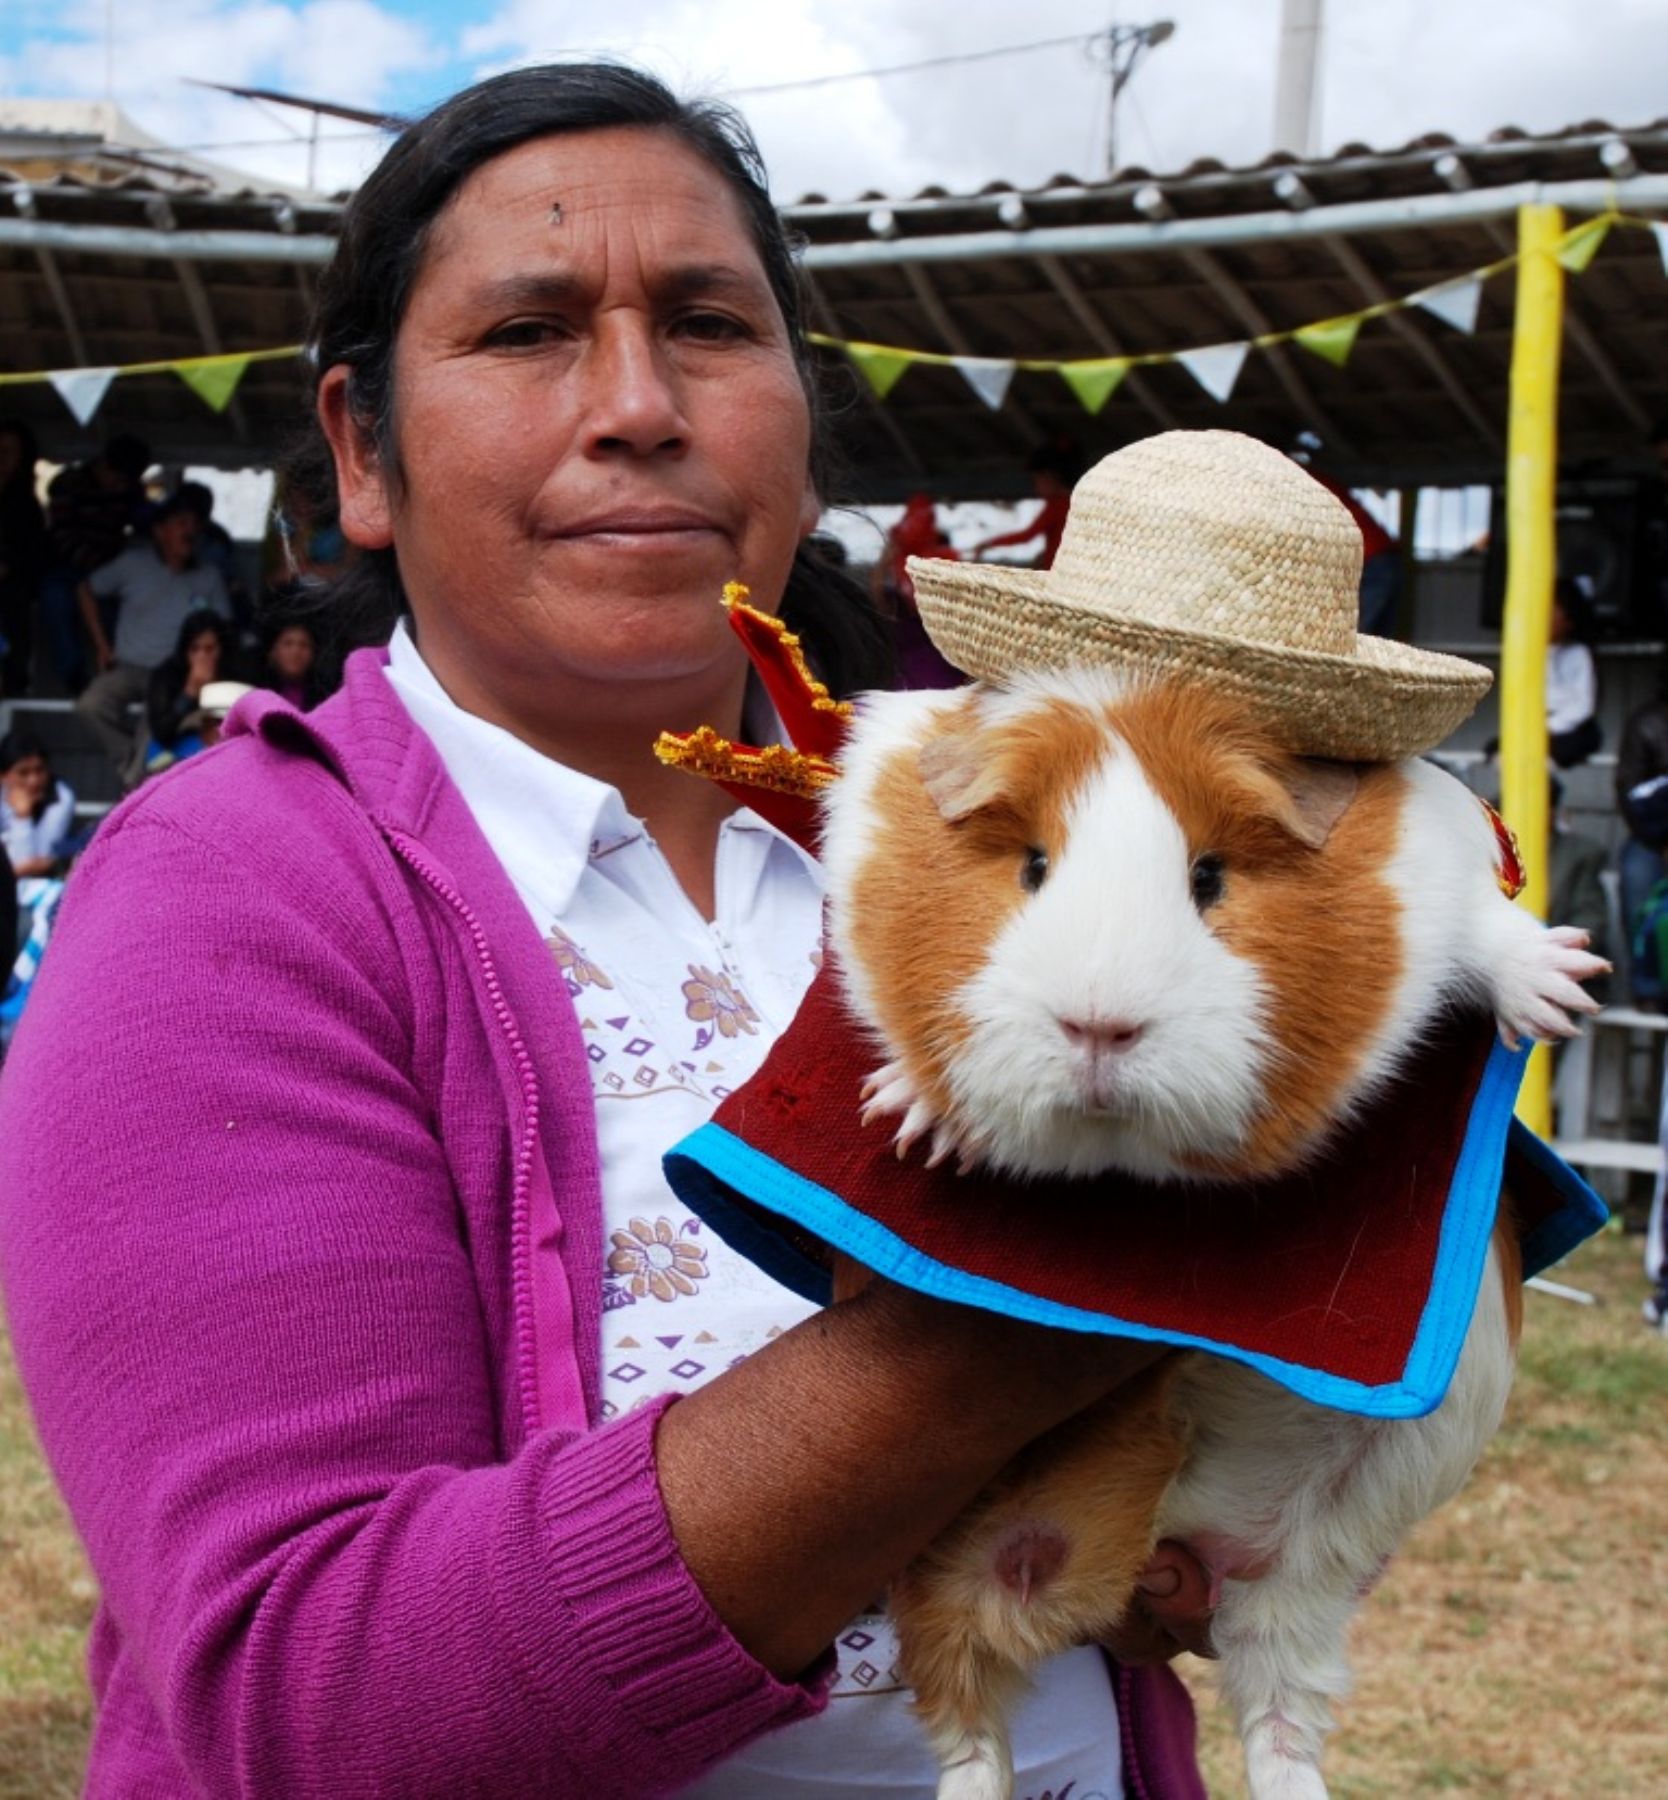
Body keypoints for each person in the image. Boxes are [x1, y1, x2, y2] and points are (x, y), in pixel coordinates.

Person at [0, 66, 1215, 1799]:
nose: (639, 405)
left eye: (711, 324)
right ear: (362, 451)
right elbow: (319, 1692)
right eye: (529, 331)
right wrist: (1020, 1319)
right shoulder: (226, 898)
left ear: (801, 417)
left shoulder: (1005, 821)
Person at [73, 493, 232, 781]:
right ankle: (131, 770)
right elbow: (85, 589)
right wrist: (101, 646)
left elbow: (223, 626)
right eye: (181, 523)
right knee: (91, 704)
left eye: (195, 524)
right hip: (129, 667)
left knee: (157, 721)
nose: (190, 530)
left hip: (174, 673)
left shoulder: (208, 575)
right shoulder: (133, 562)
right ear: (160, 531)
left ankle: (135, 782)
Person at [38, 432, 152, 693]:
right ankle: (73, 675)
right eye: (116, 477)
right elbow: (61, 536)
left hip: (108, 570)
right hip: (68, 567)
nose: (118, 486)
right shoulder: (68, 485)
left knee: (123, 607)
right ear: (103, 464)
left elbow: (146, 526)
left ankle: (117, 672)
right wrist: (94, 567)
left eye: (126, 481)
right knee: (55, 599)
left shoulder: (130, 491)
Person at [0, 729, 77, 1049]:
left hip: (32, 890)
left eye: (39, 771)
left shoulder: (60, 796)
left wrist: (20, 816)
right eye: (23, 773)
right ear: (3, 775)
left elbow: (34, 861)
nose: (33, 781)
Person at [1613, 658, 1668, 1005]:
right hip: (1654, 836)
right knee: (1636, 870)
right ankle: (1648, 986)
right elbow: (1628, 793)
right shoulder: (1649, 722)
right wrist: (1661, 840)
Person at [139, 610, 241, 778]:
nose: (202, 656)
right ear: (185, 650)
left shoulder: (234, 674)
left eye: (209, 649)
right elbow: (161, 732)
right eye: (195, 649)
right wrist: (190, 692)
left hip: (225, 758)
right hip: (174, 755)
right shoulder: (167, 675)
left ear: (221, 649)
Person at [972, 437, 1083, 570]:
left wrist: (988, 544)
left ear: (1049, 477)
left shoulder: (1058, 505)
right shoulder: (1077, 502)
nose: (1036, 487)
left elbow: (1026, 536)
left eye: (1036, 480)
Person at [0, 419, 48, 696]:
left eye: (10, 451)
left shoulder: (27, 506)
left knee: (15, 603)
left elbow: (33, 554)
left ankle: (12, 682)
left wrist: (8, 566)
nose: (3, 458)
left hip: (12, 586)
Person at [1545, 578, 1601, 770]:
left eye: (1553, 611)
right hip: (1536, 723)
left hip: (1570, 727)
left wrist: (1548, 726)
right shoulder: (1530, 653)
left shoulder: (1578, 654)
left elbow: (1583, 706)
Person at [254, 613, 323, 710]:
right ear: (272, 652)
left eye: (304, 645)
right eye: (287, 643)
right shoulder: (256, 693)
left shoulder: (325, 698)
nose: (296, 651)